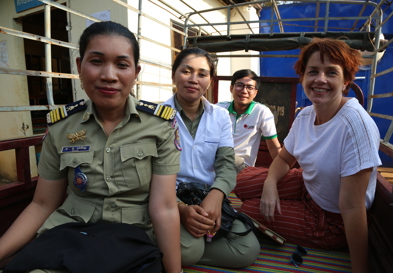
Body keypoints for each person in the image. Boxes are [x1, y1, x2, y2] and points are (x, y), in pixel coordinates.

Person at [0, 21, 182, 273]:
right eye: (96, 61)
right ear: (79, 66)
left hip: (131, 237)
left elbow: (163, 206)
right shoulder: (61, 126)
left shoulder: (161, 125)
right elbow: (42, 204)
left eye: (121, 64)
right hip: (70, 233)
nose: (109, 75)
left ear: (135, 72)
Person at [234, 38, 381, 273]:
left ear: (346, 82)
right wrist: (270, 184)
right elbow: (284, 159)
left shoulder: (355, 126)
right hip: (308, 185)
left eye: (331, 72)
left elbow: (353, 208)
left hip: (331, 220)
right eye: (313, 71)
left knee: (247, 211)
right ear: (302, 78)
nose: (320, 79)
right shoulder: (305, 115)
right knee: (240, 181)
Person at [162, 48, 260, 268]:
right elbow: (149, 173)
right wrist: (181, 209)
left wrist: (216, 197)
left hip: (206, 198)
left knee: (247, 249)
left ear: (210, 80)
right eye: (186, 71)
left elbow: (226, 164)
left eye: (202, 74)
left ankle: (179, 247)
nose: (193, 79)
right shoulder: (156, 116)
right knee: (189, 251)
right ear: (174, 74)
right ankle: (186, 247)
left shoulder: (220, 116)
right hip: (168, 200)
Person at [217, 69, 281, 169]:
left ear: (255, 92)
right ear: (231, 88)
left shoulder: (262, 112)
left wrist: (282, 173)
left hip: (242, 167)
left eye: (249, 87)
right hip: (217, 162)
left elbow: (274, 147)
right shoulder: (218, 109)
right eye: (239, 85)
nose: (244, 91)